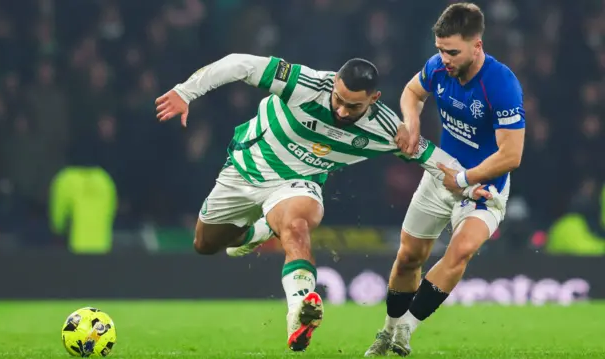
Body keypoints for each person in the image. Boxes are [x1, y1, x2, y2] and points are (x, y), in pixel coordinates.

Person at [155, 54, 496, 352]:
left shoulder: (386, 128)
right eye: (339, 100)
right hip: (245, 168)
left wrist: (469, 185)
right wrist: (186, 92)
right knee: (206, 243)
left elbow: (434, 159)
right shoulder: (302, 83)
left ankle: (299, 311)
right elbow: (239, 64)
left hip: (296, 186)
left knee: (296, 225)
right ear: (334, 83)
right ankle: (257, 231)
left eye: (354, 106)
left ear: (374, 99)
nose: (343, 110)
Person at [364, 3, 525, 357]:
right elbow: (411, 92)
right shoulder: (438, 67)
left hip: (484, 185)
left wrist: (465, 178)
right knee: (408, 257)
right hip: (440, 175)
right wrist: (413, 122)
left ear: (477, 46)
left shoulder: (501, 84)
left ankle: (406, 329)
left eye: (452, 51)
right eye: (440, 49)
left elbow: (511, 155)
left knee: (462, 249)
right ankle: (387, 332)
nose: (444, 58)